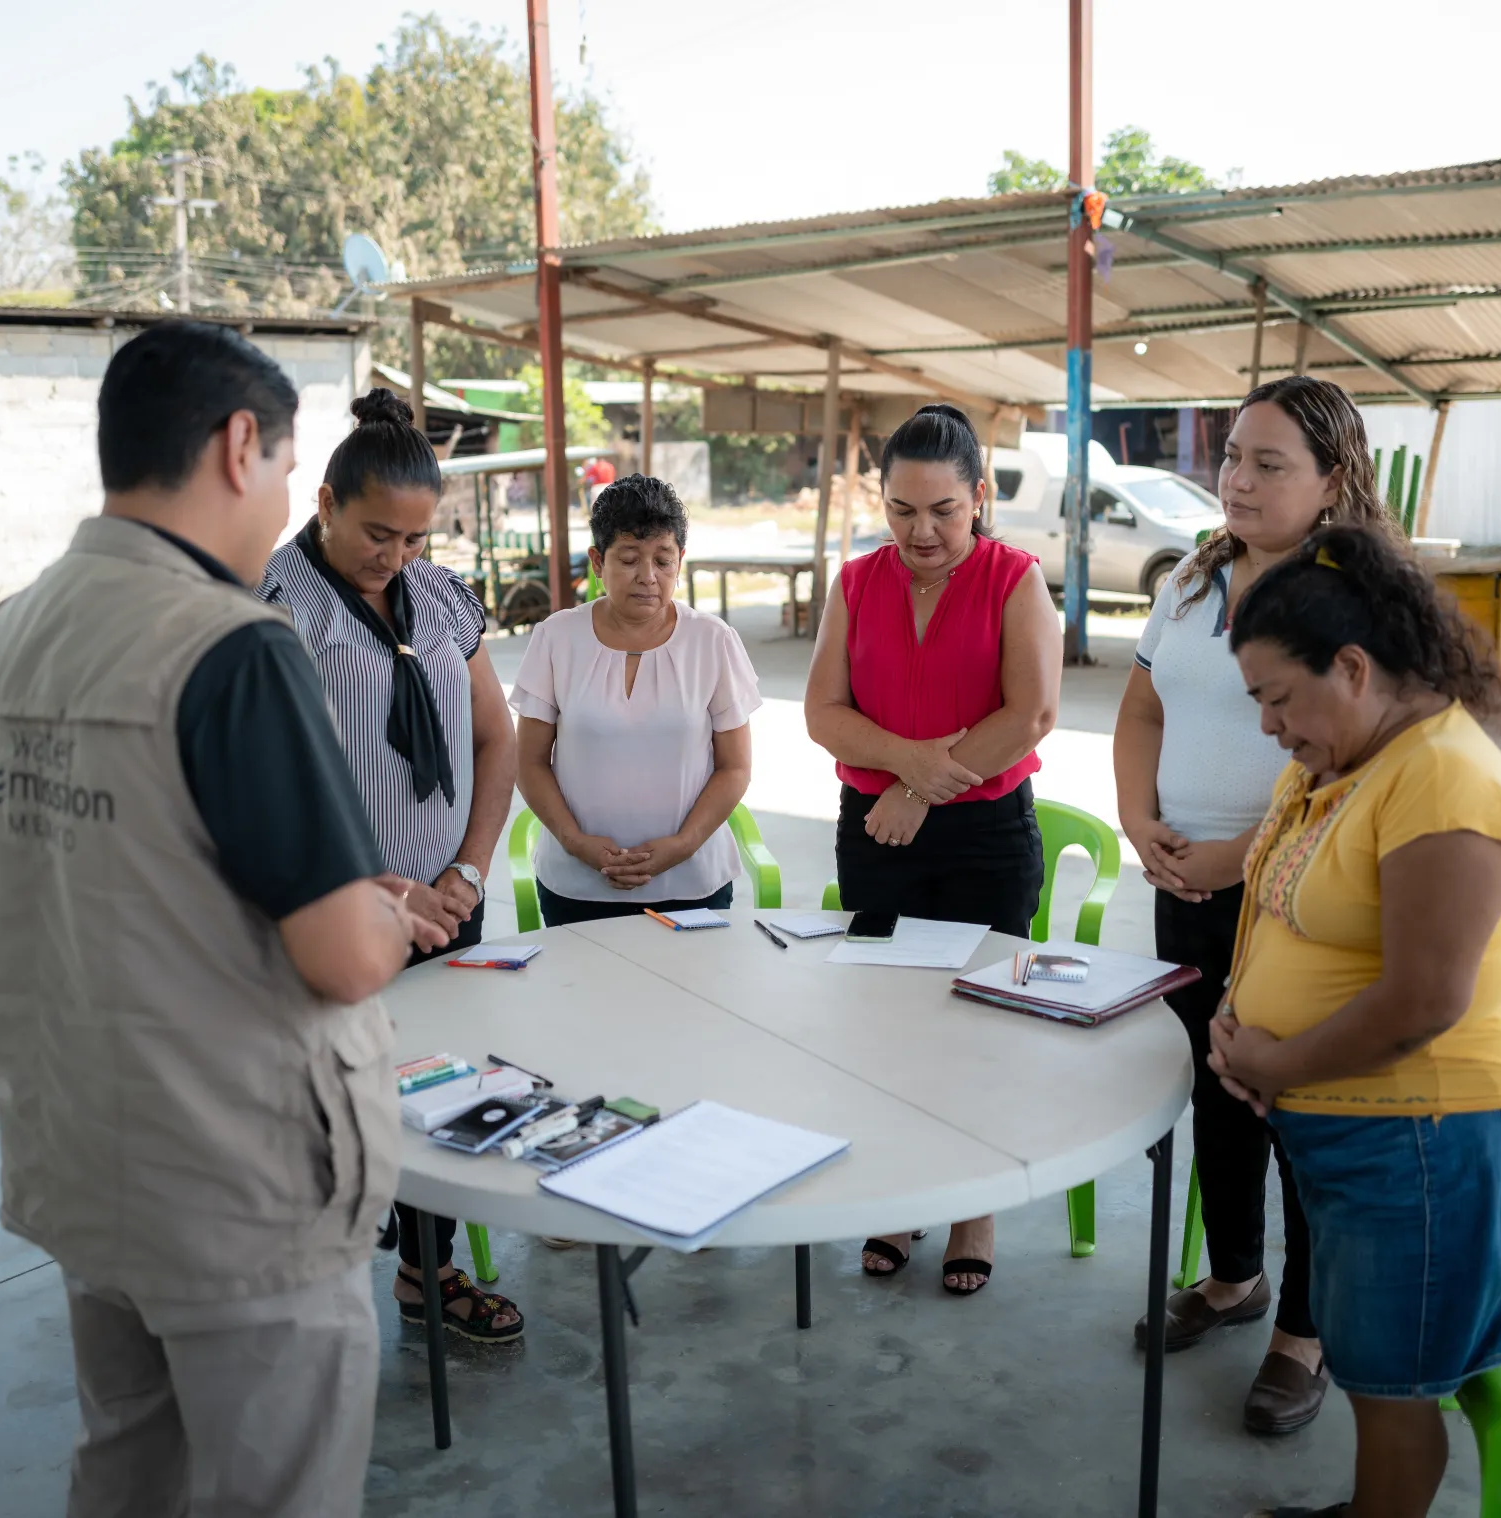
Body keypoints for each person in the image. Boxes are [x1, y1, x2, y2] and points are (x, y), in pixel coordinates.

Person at [0, 320, 452, 1518]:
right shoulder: (230, 645)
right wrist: (392, 915)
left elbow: (118, 866)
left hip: (86, 1152)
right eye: (288, 470)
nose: (282, 496)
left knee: (129, 1469)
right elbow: (340, 957)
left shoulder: (9, 634)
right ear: (243, 445)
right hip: (237, 1184)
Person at [1210, 524, 1501, 1518]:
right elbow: (1281, 908)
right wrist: (1246, 1025)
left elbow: (1425, 998)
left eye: (1279, 698)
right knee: (1371, 1371)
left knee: (1397, 1393)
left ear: (1353, 667)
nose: (1271, 726)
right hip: (1355, 1130)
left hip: (1428, 1140)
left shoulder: (1445, 777)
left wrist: (1277, 1063)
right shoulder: (1340, 763)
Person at [1114, 376, 1401, 1435]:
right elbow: (1143, 705)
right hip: (1182, 879)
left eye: (1268, 462)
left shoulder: (1356, 595)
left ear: (1333, 480)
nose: (1236, 478)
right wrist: (1138, 822)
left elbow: (1361, 766)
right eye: (1232, 456)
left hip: (1296, 895)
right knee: (1213, 1089)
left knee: (1300, 1111)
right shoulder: (1193, 579)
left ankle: (1305, 1333)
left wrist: (1243, 856)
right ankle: (1234, 1278)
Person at [259, 389, 526, 1345]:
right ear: (325, 502)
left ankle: (428, 1272)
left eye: (414, 539)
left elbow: (497, 740)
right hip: (334, 915)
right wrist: (379, 890)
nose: (395, 559)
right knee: (327, 1110)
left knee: (444, 1089)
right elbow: (269, 785)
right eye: (378, 534)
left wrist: (469, 870)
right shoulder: (279, 606)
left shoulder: (445, 597)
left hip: (448, 909)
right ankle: (307, 1302)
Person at [805, 401, 1062, 1297]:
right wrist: (902, 772)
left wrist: (918, 787)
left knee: (976, 1027)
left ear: (979, 497)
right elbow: (821, 713)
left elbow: (1028, 714)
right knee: (886, 1030)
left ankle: (974, 1209)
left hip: (983, 838)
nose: (921, 531)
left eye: (943, 510)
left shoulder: (1015, 579)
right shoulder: (856, 583)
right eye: (902, 509)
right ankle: (898, 1193)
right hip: (875, 835)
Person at [512, 473, 761, 926]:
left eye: (664, 561)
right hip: (577, 885)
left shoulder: (713, 641)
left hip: (692, 883)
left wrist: (684, 844)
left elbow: (735, 767)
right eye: (628, 559)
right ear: (596, 561)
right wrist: (574, 842)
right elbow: (529, 762)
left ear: (680, 561)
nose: (648, 577)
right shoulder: (556, 638)